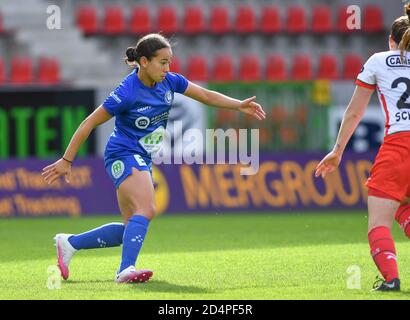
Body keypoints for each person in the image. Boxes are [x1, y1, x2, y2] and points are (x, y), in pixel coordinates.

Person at [42, 33, 266, 284]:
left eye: (170, 61)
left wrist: (238, 105)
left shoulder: (170, 82)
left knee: (130, 228)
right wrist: (67, 160)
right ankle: (126, 270)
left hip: (141, 157)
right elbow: (88, 123)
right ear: (144, 62)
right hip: (122, 154)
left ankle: (69, 243)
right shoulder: (126, 92)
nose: (168, 68)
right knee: (147, 208)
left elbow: (205, 95)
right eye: (162, 62)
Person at [315, 4, 410, 291]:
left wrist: (337, 150)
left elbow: (355, 112)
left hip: (399, 146)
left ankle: (392, 280)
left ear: (390, 40)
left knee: (378, 222)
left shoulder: (379, 60)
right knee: (402, 206)